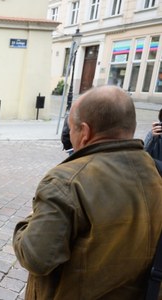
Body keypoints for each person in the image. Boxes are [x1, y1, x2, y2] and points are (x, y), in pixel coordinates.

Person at [13, 85, 162, 299]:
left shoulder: (67, 182)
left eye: (71, 128)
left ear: (85, 131)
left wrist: (24, 225)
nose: (70, 135)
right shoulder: (156, 171)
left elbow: (36, 257)